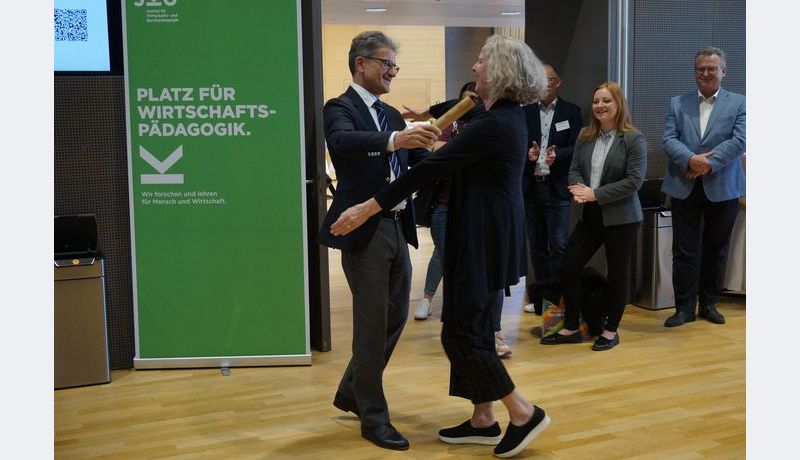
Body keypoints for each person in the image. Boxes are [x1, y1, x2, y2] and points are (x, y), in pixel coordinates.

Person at [330, 34, 551, 458]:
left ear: (501, 70)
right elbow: (427, 159)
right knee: (477, 327)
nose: (475, 68)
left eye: (482, 61)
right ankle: (484, 419)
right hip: (486, 233)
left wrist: (366, 209)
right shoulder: (506, 118)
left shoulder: (494, 123)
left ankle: (522, 412)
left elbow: (428, 170)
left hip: (482, 238)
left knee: (462, 334)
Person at [318, 30, 440, 451]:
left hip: (397, 227)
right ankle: (373, 418)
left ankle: (352, 390)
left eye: (395, 66)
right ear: (361, 64)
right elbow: (341, 142)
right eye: (387, 63)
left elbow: (416, 163)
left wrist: (445, 146)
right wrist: (394, 140)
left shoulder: (390, 113)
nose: (392, 71)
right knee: (371, 327)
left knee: (393, 318)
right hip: (363, 228)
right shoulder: (340, 107)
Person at [540, 81, 646, 351]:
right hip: (591, 216)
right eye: (596, 101)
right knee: (568, 267)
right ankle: (573, 325)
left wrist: (595, 193)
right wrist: (578, 189)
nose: (600, 106)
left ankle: (611, 331)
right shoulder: (585, 136)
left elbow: (634, 182)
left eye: (606, 101)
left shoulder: (633, 139)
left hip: (622, 218)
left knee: (618, 275)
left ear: (618, 104)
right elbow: (574, 169)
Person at [411, 82, 513, 358]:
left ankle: (492, 330)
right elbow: (432, 158)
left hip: (481, 211)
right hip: (445, 206)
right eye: (467, 99)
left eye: (476, 99)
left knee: (490, 274)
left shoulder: (492, 127)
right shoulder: (449, 128)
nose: (472, 103)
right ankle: (447, 313)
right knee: (450, 262)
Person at [661, 47, 746, 328]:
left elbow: (740, 141)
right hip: (684, 184)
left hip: (724, 186)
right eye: (701, 69)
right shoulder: (677, 103)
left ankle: (709, 303)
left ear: (724, 71)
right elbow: (668, 139)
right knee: (683, 251)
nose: (706, 73)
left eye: (712, 68)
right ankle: (684, 307)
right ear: (695, 72)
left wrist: (708, 164)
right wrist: (691, 159)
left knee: (717, 249)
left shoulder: (740, 103)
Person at [522, 64, 583, 315]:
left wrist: (557, 155)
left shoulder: (572, 111)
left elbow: (577, 146)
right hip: (531, 187)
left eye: (548, 80)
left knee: (558, 244)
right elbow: (517, 143)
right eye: (540, 80)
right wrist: (529, 153)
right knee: (536, 246)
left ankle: (559, 298)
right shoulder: (524, 112)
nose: (544, 85)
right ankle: (542, 298)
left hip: (557, 187)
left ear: (558, 82)